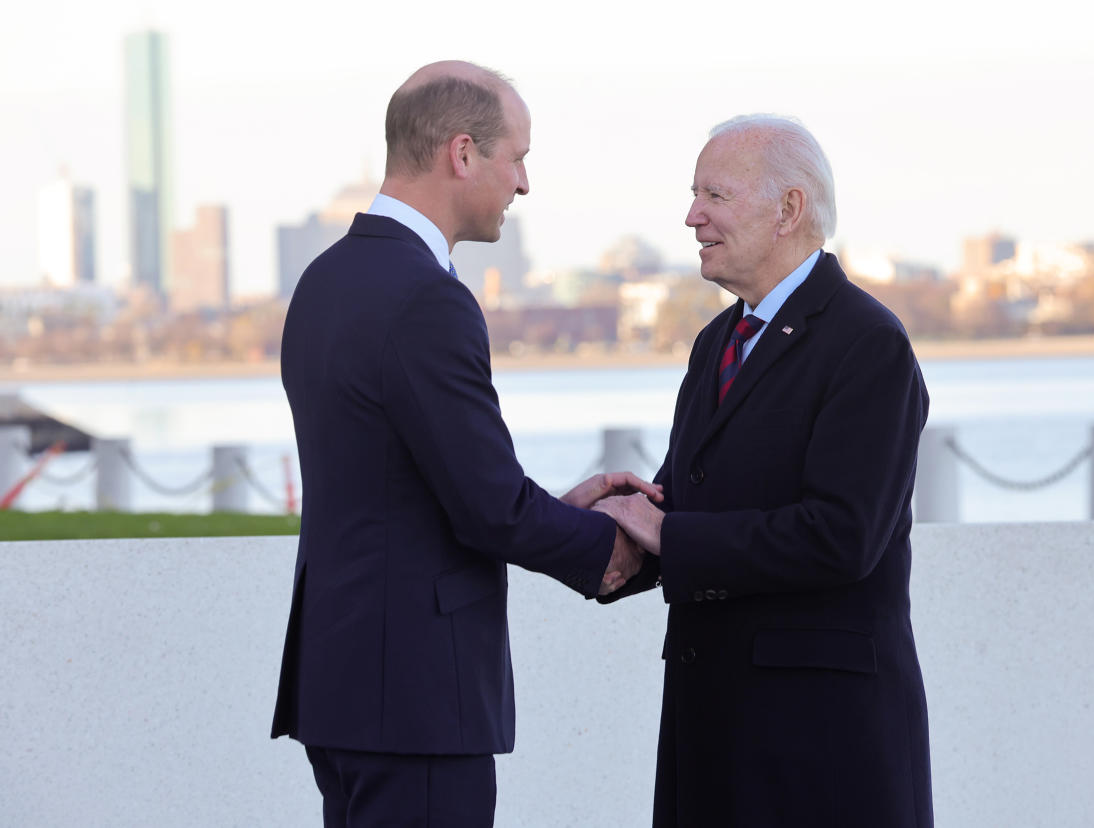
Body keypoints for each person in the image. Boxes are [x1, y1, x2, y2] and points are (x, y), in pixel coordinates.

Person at [270, 61, 652, 827]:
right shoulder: (426, 298)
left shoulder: (325, 281)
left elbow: (405, 484)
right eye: (519, 156)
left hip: (340, 684)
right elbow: (487, 510)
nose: (524, 183)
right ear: (462, 152)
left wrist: (549, 507)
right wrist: (618, 550)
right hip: (415, 696)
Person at [595, 115, 933, 827]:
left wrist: (665, 536)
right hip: (712, 735)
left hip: (819, 750)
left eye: (714, 195)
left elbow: (842, 536)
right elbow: (679, 509)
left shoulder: (868, 344)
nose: (692, 217)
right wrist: (598, 532)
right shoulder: (716, 340)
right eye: (694, 195)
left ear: (789, 209)